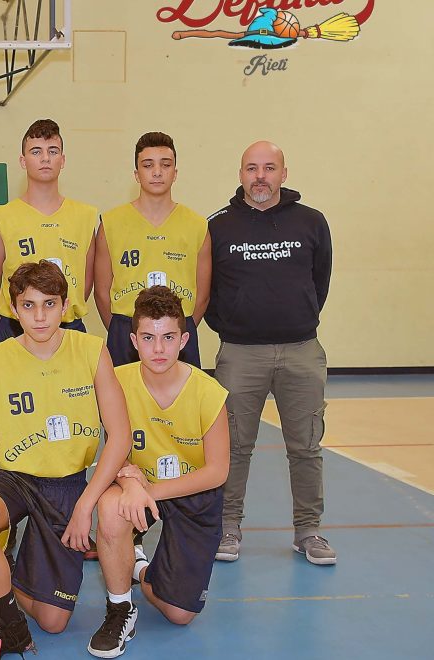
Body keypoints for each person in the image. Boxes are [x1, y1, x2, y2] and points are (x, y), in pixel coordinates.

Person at [0, 260, 131, 659]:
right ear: (13, 309)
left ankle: (1, 571)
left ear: (65, 306)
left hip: (66, 484)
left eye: (49, 304)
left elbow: (119, 435)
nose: (39, 316)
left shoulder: (91, 351)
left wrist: (86, 505)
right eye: (28, 305)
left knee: (53, 621)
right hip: (11, 476)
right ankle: (10, 626)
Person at [205, 140, 335, 565]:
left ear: (283, 173)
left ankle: (308, 530)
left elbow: (320, 281)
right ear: (241, 174)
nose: (260, 176)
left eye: (269, 168)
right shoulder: (218, 226)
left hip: (301, 350)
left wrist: (297, 317)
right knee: (234, 447)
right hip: (240, 354)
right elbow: (208, 289)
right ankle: (228, 527)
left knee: (306, 446)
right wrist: (234, 324)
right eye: (252, 168)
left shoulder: (312, 222)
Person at [86, 286, 229, 658]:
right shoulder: (117, 382)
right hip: (138, 483)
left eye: (168, 337)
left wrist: (149, 489)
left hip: (192, 491)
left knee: (179, 614)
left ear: (184, 340)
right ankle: (120, 609)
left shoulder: (209, 392)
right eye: (148, 338)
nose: (159, 348)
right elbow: (114, 451)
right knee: (110, 507)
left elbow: (217, 471)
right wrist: (130, 482)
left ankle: (139, 570)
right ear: (134, 341)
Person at [93, 132, 210, 367]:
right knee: (123, 392)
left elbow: (202, 296)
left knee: (183, 393)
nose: (157, 172)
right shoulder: (111, 222)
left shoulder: (197, 225)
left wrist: (176, 332)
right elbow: (102, 292)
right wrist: (123, 329)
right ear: (137, 174)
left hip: (178, 330)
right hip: (126, 330)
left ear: (175, 173)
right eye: (148, 165)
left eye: (165, 165)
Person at [0, 119, 97, 340]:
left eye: (53, 151)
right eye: (36, 151)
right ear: (23, 161)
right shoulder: (1, 217)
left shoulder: (85, 216)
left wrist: (58, 313)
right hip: (15, 328)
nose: (45, 158)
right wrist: (17, 320)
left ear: (62, 160)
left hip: (69, 327)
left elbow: (85, 283)